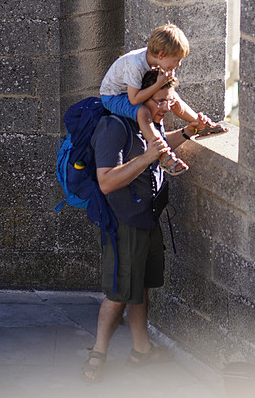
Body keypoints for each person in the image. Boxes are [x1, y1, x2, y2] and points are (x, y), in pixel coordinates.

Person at [82, 68, 192, 383]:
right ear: (140, 98)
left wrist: (187, 132)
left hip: (147, 216)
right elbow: (106, 181)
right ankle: (97, 353)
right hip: (124, 222)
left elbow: (157, 147)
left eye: (170, 101)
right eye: (159, 101)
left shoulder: (151, 120)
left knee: (139, 285)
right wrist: (146, 159)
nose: (165, 108)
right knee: (118, 291)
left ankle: (141, 350)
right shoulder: (114, 127)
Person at [99, 23, 224, 175]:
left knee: (172, 97)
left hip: (129, 91)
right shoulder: (136, 64)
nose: (178, 64)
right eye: (176, 60)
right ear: (161, 55)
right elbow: (134, 100)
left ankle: (199, 124)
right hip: (113, 96)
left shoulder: (154, 60)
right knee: (142, 111)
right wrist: (159, 83)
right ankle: (162, 153)